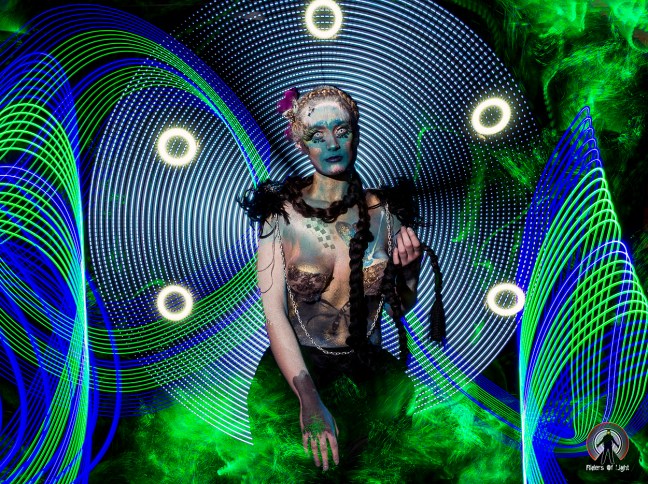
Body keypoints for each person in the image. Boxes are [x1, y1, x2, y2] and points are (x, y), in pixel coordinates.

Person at [240, 85, 445, 475]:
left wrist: (410, 271)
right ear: (300, 143)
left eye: (341, 130)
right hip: (296, 379)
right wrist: (308, 400)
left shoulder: (385, 212)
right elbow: (274, 314)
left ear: (356, 132)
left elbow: (398, 308)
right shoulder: (281, 216)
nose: (332, 144)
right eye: (317, 135)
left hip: (368, 378)